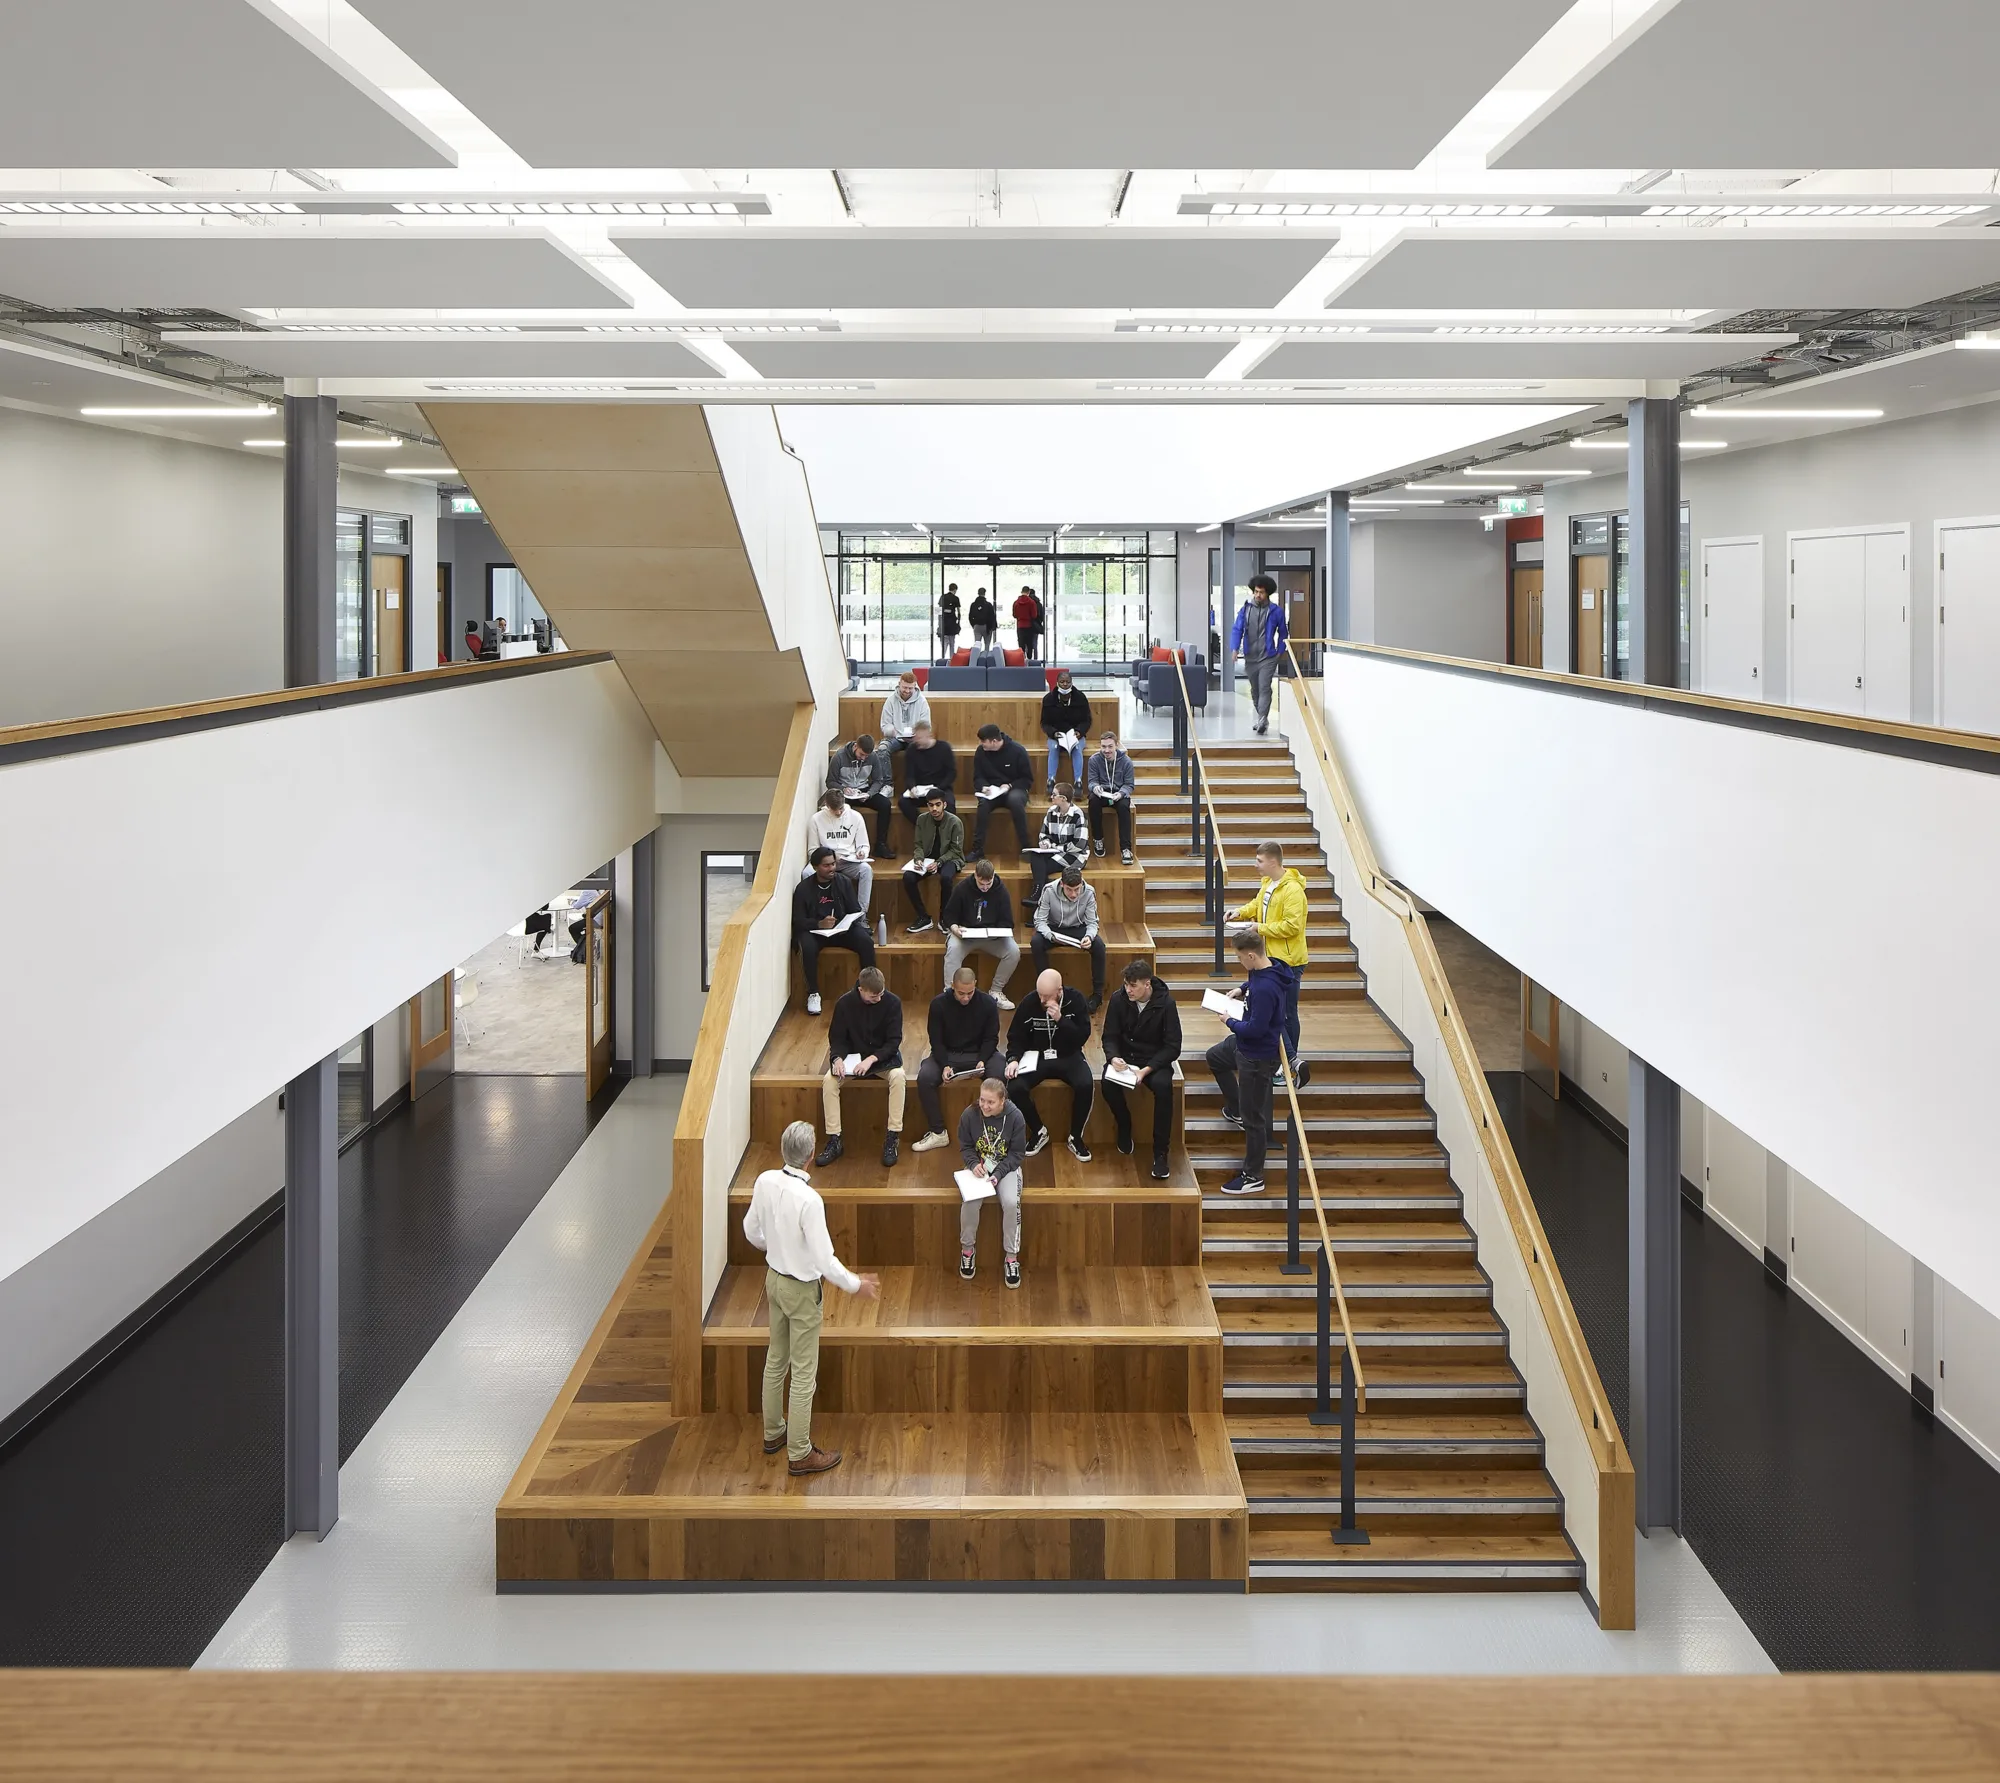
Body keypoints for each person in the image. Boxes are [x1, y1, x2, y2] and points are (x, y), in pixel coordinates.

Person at [742, 1120, 881, 1476]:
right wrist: (855, 1285)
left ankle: (774, 1434)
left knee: (776, 1361)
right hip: (802, 1291)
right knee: (804, 1374)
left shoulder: (764, 1181)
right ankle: (800, 1452)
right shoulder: (810, 1200)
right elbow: (824, 1260)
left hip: (773, 1281)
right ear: (809, 1158)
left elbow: (750, 1229)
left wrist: (773, 1248)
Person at [1205, 929, 1289, 1196]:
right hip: (1242, 1046)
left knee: (1254, 1119)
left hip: (1256, 1056)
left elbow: (1255, 1029)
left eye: (1241, 958)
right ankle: (1235, 1107)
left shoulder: (1266, 988)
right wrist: (1242, 989)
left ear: (1252, 955)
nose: (1240, 963)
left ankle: (1253, 1175)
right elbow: (1254, 982)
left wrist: (1228, 1021)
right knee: (1214, 1057)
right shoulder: (1264, 970)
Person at [1233, 840, 1310, 1084]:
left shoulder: (1293, 890)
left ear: (1273, 861)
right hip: (1271, 959)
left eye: (1259, 861)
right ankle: (1287, 1061)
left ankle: (1291, 1063)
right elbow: (1258, 904)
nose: (1256, 865)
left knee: (1287, 1013)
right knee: (1277, 1012)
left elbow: (1292, 926)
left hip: (1288, 961)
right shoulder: (1268, 883)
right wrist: (1241, 912)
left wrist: (1259, 927)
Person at [1100, 958, 1183, 1181]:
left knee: (1164, 1088)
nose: (1128, 990)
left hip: (1153, 1061)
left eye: (1133, 985)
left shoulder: (1166, 1004)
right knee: (1106, 1083)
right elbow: (1109, 1036)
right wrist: (1114, 1056)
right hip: (1126, 1058)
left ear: (1147, 984)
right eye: (1126, 984)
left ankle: (1160, 1152)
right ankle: (1124, 1125)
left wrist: (1146, 1070)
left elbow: (1173, 1046)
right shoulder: (1119, 999)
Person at [817, 966, 905, 1169]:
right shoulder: (844, 1004)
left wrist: (872, 1059)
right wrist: (837, 1058)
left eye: (882, 994)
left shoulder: (893, 1003)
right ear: (861, 990)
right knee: (829, 1082)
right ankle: (834, 1139)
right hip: (852, 1059)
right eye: (874, 996)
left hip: (882, 1058)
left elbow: (894, 1041)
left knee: (898, 1077)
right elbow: (837, 1038)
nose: (879, 999)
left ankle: (892, 1136)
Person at [1005, 967, 1095, 1162]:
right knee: (1015, 1085)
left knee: (1086, 1084)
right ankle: (1038, 1131)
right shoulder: (1030, 1002)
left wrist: (1061, 1020)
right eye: (1040, 995)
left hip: (1068, 1054)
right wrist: (1013, 1059)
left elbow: (1082, 1037)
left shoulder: (1076, 1000)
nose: (1043, 1001)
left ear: (1060, 990)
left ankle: (1076, 1136)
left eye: (1047, 996)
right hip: (1036, 1057)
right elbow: (1015, 1037)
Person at [911, 966, 1007, 1150]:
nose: (965, 997)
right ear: (952, 986)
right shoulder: (938, 1004)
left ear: (975, 986)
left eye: (970, 993)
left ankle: (994, 1132)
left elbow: (991, 1037)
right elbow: (936, 1040)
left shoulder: (987, 1003)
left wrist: (982, 1059)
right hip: (949, 1054)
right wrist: (944, 1064)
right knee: (925, 1078)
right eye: (961, 993)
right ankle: (938, 1132)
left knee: (1001, 1073)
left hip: (979, 1054)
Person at [957, 1077, 1027, 1288]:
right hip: (978, 1169)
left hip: (1006, 1168)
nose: (985, 1106)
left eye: (991, 1102)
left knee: (1011, 1203)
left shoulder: (1015, 1117)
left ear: (1002, 1101)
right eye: (982, 1100)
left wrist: (998, 1173)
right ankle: (967, 1250)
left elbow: (1017, 1154)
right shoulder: (969, 1115)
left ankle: (1011, 1257)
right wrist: (971, 1164)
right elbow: (966, 1146)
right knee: (970, 1201)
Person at [792, 846, 873, 1018]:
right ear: (815, 867)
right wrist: (819, 923)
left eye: (833, 864)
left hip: (842, 930)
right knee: (806, 946)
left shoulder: (843, 882)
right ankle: (813, 993)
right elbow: (798, 921)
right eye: (826, 865)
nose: (832, 869)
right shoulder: (803, 889)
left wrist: (847, 922)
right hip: (815, 932)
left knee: (866, 941)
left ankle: (868, 988)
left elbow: (854, 909)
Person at [940, 858, 1018, 1008]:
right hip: (965, 935)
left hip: (992, 937)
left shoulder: (1001, 890)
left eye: (988, 884)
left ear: (994, 876)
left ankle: (996, 991)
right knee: (953, 950)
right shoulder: (962, 888)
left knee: (1013, 951)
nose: (985, 888)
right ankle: (950, 992)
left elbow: (1007, 921)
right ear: (975, 875)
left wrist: (998, 932)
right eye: (981, 883)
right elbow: (949, 915)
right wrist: (955, 928)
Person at [1031, 863, 1106, 1010]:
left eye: (1077, 889)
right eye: (1069, 889)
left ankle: (1097, 995)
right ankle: (1046, 991)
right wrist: (1049, 935)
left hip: (1077, 929)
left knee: (1099, 945)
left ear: (1081, 884)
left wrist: (1089, 937)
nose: (1073, 894)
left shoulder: (1089, 892)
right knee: (1036, 942)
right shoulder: (1049, 890)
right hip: (1054, 929)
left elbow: (1092, 922)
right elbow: (1040, 920)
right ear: (1061, 884)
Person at [1231, 572, 1289, 736]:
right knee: (1255, 690)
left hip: (1268, 657)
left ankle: (1262, 718)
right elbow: (1237, 629)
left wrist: (1279, 652)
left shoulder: (1276, 611)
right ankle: (1261, 717)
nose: (1258, 595)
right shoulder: (1246, 610)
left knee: (1264, 688)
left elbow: (1284, 633)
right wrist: (1235, 649)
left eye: (1261, 592)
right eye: (1256, 591)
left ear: (1267, 593)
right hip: (1250, 657)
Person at [902, 790, 965, 933]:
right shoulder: (921, 820)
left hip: (950, 858)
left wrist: (939, 862)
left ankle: (944, 918)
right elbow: (918, 845)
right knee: (908, 877)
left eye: (937, 805)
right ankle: (924, 917)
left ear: (944, 804)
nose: (934, 809)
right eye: (931, 805)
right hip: (927, 859)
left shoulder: (955, 822)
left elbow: (956, 850)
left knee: (946, 878)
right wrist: (918, 859)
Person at [826, 733, 895, 858]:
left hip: (863, 790)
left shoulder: (873, 757)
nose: (863, 758)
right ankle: (846, 846)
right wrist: (843, 789)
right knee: (843, 809)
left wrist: (869, 794)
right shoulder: (839, 757)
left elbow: (878, 780)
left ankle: (880, 844)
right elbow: (830, 781)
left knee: (885, 804)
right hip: (844, 793)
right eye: (861, 754)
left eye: (866, 756)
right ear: (855, 746)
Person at [806, 787, 873, 914]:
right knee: (807, 873)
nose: (839, 813)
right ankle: (815, 914)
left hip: (848, 861)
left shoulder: (856, 817)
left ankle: (861, 916)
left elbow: (864, 845)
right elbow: (812, 851)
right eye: (834, 810)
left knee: (866, 870)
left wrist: (862, 852)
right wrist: (830, 857)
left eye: (841, 809)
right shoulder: (816, 819)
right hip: (825, 861)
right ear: (827, 805)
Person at [969, 722, 1032, 855]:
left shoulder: (1017, 751)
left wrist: (1010, 786)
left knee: (1015, 802)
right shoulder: (981, 752)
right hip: (992, 791)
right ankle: (977, 849)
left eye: (983, 741)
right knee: (983, 805)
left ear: (994, 741)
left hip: (1015, 788)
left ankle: (1026, 847)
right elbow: (978, 776)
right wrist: (983, 787)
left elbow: (1027, 779)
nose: (981, 744)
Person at [1026, 780, 1089, 900]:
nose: (1051, 796)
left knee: (1043, 866)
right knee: (1035, 856)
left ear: (1063, 798)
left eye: (1054, 795)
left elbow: (1080, 844)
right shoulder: (1051, 812)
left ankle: (1038, 894)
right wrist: (1045, 842)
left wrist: (1056, 847)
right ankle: (1042, 894)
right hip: (1055, 851)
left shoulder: (1078, 815)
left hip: (1075, 855)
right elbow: (1044, 833)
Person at [1085, 730, 1136, 865]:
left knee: (1124, 806)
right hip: (1102, 793)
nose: (1106, 750)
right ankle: (1098, 840)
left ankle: (1126, 849)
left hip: (1118, 793)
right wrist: (1095, 787)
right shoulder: (1094, 760)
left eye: (1110, 746)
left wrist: (1121, 793)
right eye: (1103, 747)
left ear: (1116, 746)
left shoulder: (1126, 762)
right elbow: (1091, 781)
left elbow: (1129, 785)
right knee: (1093, 800)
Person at [897, 718, 957, 830]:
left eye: (920, 738)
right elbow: (909, 774)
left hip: (940, 788)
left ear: (929, 735)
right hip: (920, 791)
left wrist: (939, 788)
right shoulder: (912, 750)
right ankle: (925, 827)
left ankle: (945, 834)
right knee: (903, 802)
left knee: (949, 804)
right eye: (916, 737)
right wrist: (912, 787)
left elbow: (952, 773)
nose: (917, 741)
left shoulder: (944, 748)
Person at [1040, 669, 1092, 795]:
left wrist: (1079, 731)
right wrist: (1053, 733)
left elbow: (1087, 720)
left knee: (1077, 748)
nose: (1064, 685)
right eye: (1062, 682)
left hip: (1075, 736)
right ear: (1057, 682)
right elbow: (1044, 723)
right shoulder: (1049, 699)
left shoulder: (1080, 697)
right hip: (1056, 736)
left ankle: (1078, 782)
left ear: (1071, 683)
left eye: (1067, 682)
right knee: (1054, 748)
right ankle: (1051, 780)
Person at [878, 672, 929, 756]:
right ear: (899, 684)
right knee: (882, 749)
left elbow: (926, 724)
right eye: (904, 687)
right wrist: (890, 731)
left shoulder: (922, 701)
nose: (907, 691)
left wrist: (917, 735)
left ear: (915, 686)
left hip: (914, 739)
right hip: (895, 738)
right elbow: (885, 724)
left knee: (919, 749)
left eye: (910, 688)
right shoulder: (891, 700)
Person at [1012, 584, 1040, 660]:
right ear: (1028, 592)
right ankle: (1029, 660)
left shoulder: (1016, 603)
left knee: (1021, 645)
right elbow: (1034, 615)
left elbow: (1014, 615)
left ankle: (1022, 660)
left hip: (1020, 626)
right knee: (1029, 645)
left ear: (1021, 592)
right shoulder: (1032, 602)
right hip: (1029, 626)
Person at [937, 583, 962, 660]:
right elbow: (959, 612)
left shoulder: (942, 597)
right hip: (952, 623)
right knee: (952, 643)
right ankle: (952, 660)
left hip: (944, 623)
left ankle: (942, 659)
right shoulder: (956, 598)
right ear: (955, 590)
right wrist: (958, 622)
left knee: (944, 643)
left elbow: (939, 610)